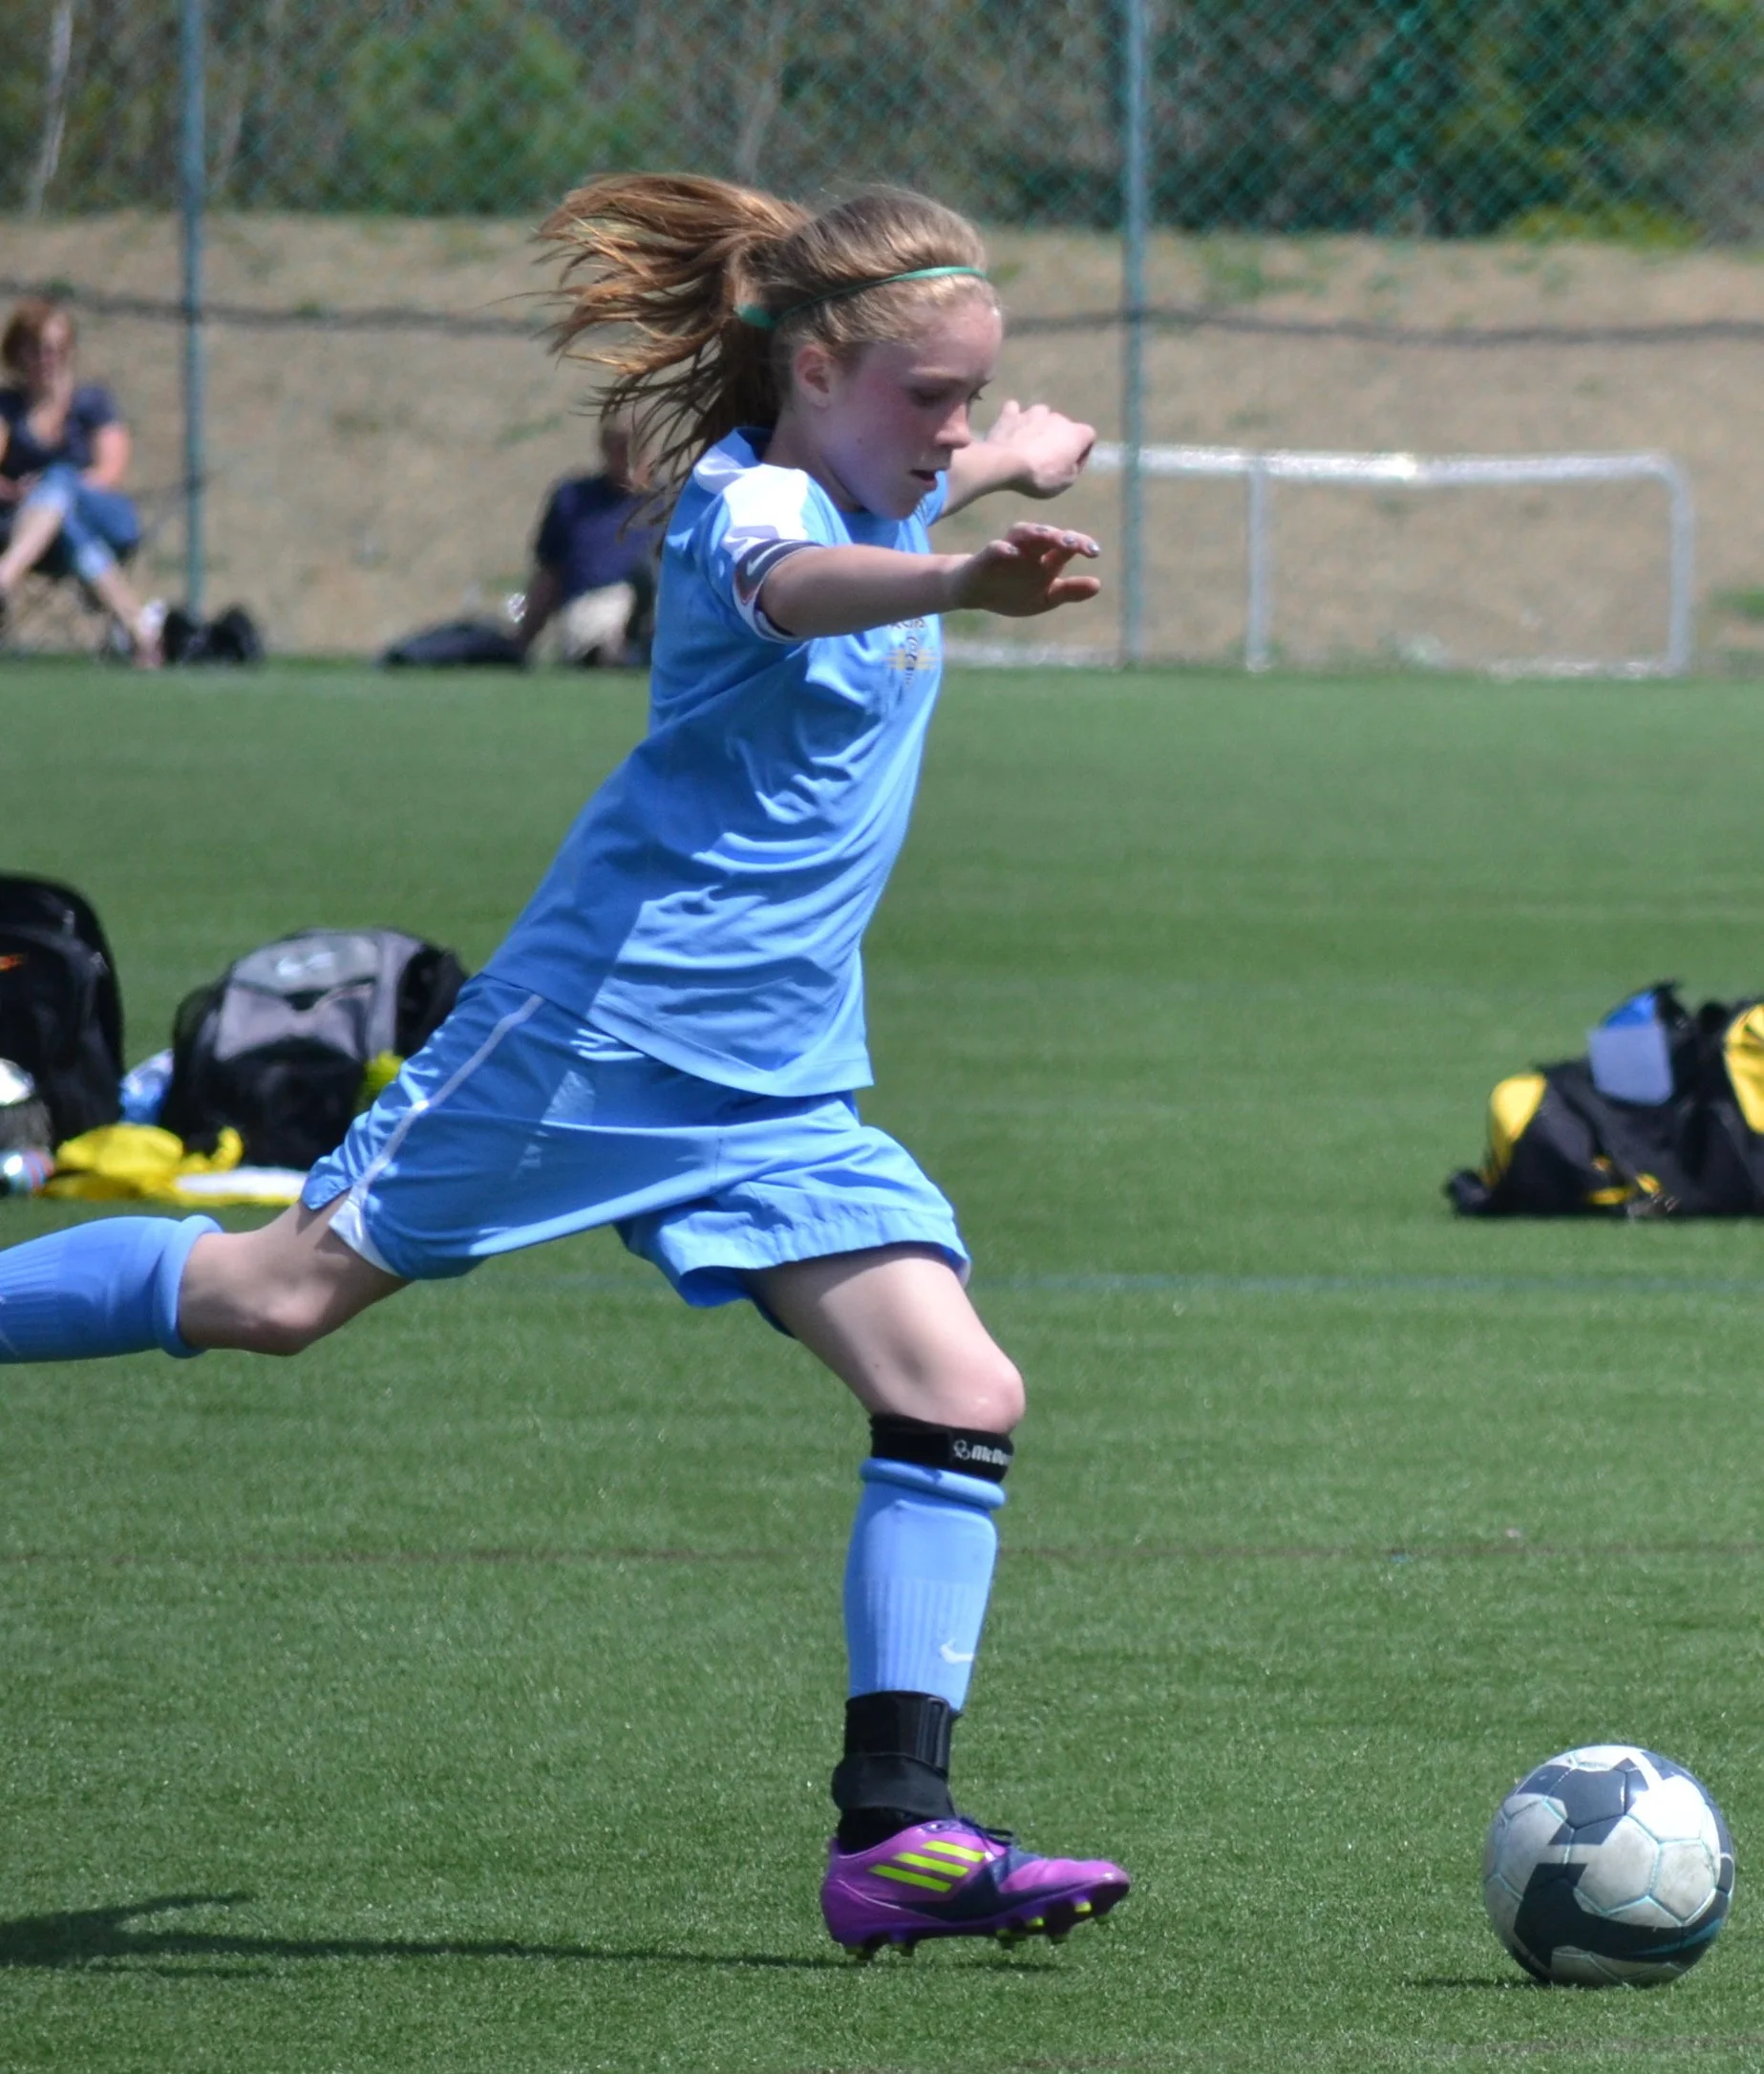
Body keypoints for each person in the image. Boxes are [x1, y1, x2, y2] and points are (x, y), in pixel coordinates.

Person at [0, 175, 1129, 1956]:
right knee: (280, 1294)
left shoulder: (882, 469)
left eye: (972, 395)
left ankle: (889, 1838)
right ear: (815, 366)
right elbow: (798, 576)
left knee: (958, 1389)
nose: (955, 426)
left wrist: (1002, 462)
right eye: (932, 396)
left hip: (775, 1091)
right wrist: (962, 569)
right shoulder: (742, 508)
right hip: (593, 1039)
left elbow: (907, 486)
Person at [0, 297, 159, 666]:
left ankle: (4, 578)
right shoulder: (8, 408)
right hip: (43, 537)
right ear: (18, 353)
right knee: (66, 524)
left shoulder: (92, 402)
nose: (48, 359)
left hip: (105, 516)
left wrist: (47, 490)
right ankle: (139, 630)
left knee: (60, 479)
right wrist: (18, 493)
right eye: (37, 349)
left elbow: (108, 472)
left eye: (57, 349)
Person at [517, 415, 661, 666]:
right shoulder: (574, 499)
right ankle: (617, 654)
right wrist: (521, 642)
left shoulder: (670, 504)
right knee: (604, 622)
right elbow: (549, 576)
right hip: (593, 608)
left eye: (635, 446)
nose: (627, 455)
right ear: (604, 447)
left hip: (656, 609)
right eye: (619, 446)